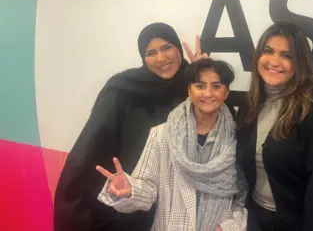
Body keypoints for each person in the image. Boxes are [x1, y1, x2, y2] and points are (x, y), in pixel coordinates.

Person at [54, 23, 196, 231]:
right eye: (151, 52)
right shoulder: (123, 89)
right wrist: (74, 205)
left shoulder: (192, 86)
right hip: (127, 205)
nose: (161, 59)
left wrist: (204, 74)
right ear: (143, 58)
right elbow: (91, 147)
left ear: (178, 49)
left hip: (176, 210)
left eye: (167, 48)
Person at [95, 58, 248, 231]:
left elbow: (241, 194)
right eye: (200, 86)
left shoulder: (237, 138)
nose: (208, 93)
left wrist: (228, 227)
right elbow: (149, 189)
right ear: (189, 90)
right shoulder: (162, 134)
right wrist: (130, 189)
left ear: (226, 93)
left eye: (216, 86)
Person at [235, 22, 313, 231]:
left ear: (299, 63)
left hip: (299, 223)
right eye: (268, 51)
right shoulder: (251, 104)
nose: (274, 61)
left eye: (286, 55)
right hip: (255, 219)